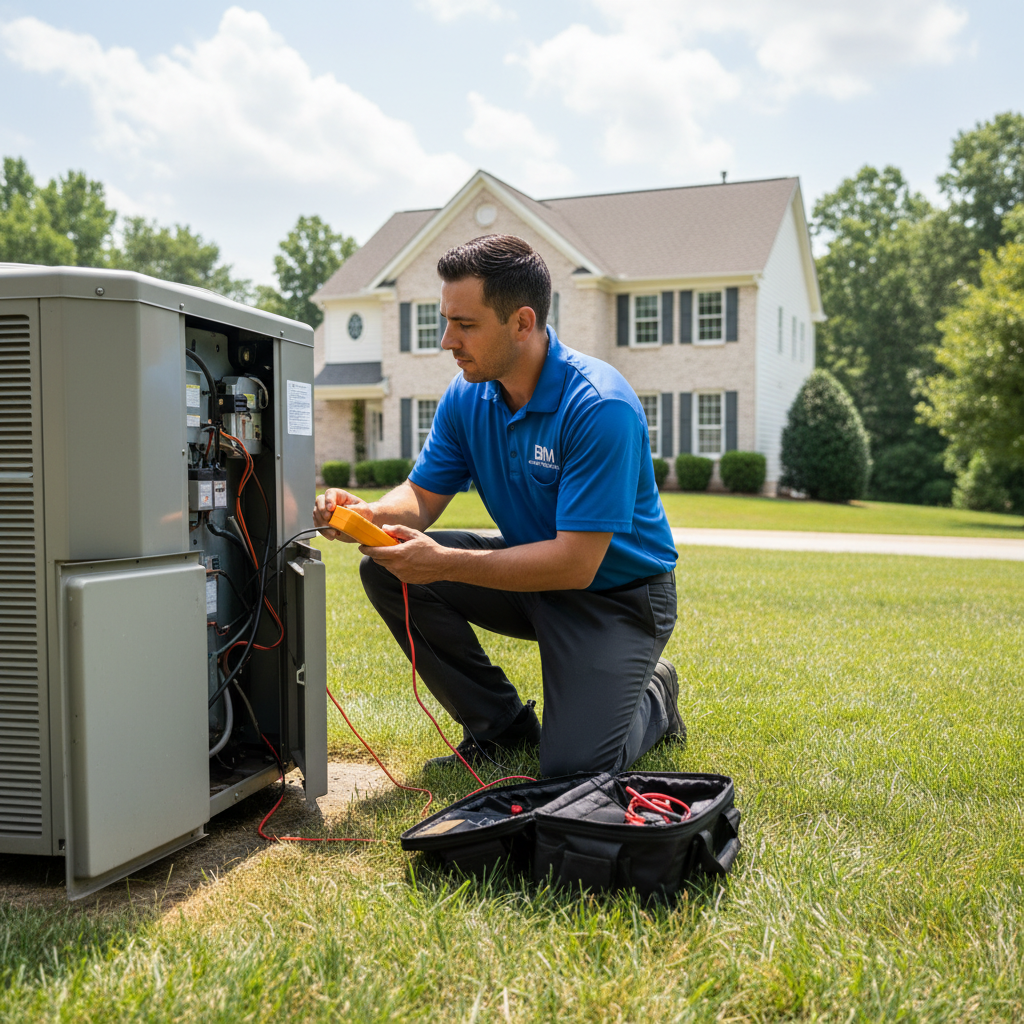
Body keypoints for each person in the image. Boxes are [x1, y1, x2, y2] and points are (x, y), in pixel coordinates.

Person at [313, 234, 683, 777]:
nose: (447, 340)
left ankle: (656, 692)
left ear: (522, 323)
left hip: (616, 598)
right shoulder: (468, 395)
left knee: (574, 773)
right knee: (387, 569)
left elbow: (576, 564)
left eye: (465, 325)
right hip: (533, 576)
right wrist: (370, 517)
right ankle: (501, 727)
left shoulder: (599, 406)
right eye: (446, 321)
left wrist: (444, 563)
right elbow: (420, 495)